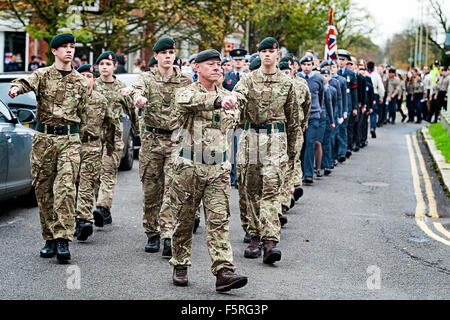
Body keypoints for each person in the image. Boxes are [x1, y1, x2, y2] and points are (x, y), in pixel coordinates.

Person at [170, 49, 248, 292]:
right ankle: (181, 263)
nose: (217, 68)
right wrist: (216, 101)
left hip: (219, 169)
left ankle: (224, 271)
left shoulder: (230, 96)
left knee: (218, 221)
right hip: (188, 168)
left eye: (219, 64)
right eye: (210, 64)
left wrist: (227, 101)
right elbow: (186, 103)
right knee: (183, 220)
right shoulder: (186, 92)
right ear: (196, 68)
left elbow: (234, 119)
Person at [8, 33, 88, 262]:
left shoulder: (81, 82)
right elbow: (24, 83)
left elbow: (83, 114)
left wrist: (84, 142)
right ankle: (50, 239)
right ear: (54, 51)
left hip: (69, 141)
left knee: (64, 189)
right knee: (43, 192)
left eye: (71, 47)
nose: (69, 51)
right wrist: (15, 89)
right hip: (43, 140)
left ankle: (63, 240)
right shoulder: (42, 75)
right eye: (63, 47)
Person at [234, 37, 300, 265]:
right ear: (259, 54)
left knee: (271, 190)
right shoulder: (247, 80)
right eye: (263, 52)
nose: (267, 55)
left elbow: (293, 121)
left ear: (277, 54)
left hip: (276, 140)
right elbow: (237, 101)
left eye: (271, 51)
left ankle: (270, 241)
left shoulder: (286, 83)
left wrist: (293, 151)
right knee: (250, 190)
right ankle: (254, 236)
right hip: (251, 138)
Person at [128, 37, 193, 257]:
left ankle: (167, 234)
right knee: (151, 190)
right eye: (163, 53)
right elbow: (137, 91)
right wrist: (138, 99)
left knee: (171, 188)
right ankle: (152, 232)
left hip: (175, 140)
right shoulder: (146, 78)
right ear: (156, 56)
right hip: (151, 140)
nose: (168, 56)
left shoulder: (185, 80)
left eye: (171, 53)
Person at [92, 51, 138, 228]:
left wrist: (137, 130)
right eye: (101, 64)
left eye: (108, 64)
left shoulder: (121, 87)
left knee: (108, 172)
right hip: (95, 135)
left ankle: (102, 207)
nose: (104, 67)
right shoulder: (93, 86)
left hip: (114, 136)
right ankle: (105, 210)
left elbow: (132, 110)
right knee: (95, 174)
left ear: (114, 67)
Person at [74, 64, 116, 242]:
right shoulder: (72, 99)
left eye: (88, 76)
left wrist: (110, 146)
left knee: (85, 184)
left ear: (94, 80)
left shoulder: (100, 100)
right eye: (82, 75)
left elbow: (111, 122)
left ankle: (84, 221)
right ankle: (73, 221)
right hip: (72, 145)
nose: (85, 79)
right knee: (70, 185)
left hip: (92, 147)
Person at [298, 55, 324, 184]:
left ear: (312, 65)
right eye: (304, 65)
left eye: (309, 65)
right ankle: (299, 172)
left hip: (313, 115)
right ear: (301, 66)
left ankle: (308, 174)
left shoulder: (319, 78)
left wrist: (318, 108)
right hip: (300, 116)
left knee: (310, 143)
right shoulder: (297, 77)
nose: (306, 67)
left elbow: (321, 95)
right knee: (300, 144)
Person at [336, 49, 357, 162]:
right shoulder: (334, 72)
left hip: (347, 105)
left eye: (343, 60)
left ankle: (342, 152)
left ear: (347, 61)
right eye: (339, 59)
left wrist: (354, 107)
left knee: (343, 128)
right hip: (336, 105)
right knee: (335, 129)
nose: (341, 62)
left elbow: (354, 92)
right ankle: (335, 153)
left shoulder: (351, 74)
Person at [367, 61, 384, 138]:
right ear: (374, 67)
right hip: (374, 95)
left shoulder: (365, 74)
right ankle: (372, 128)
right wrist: (381, 97)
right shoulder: (376, 75)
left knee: (365, 113)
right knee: (373, 113)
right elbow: (381, 88)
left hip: (366, 95)